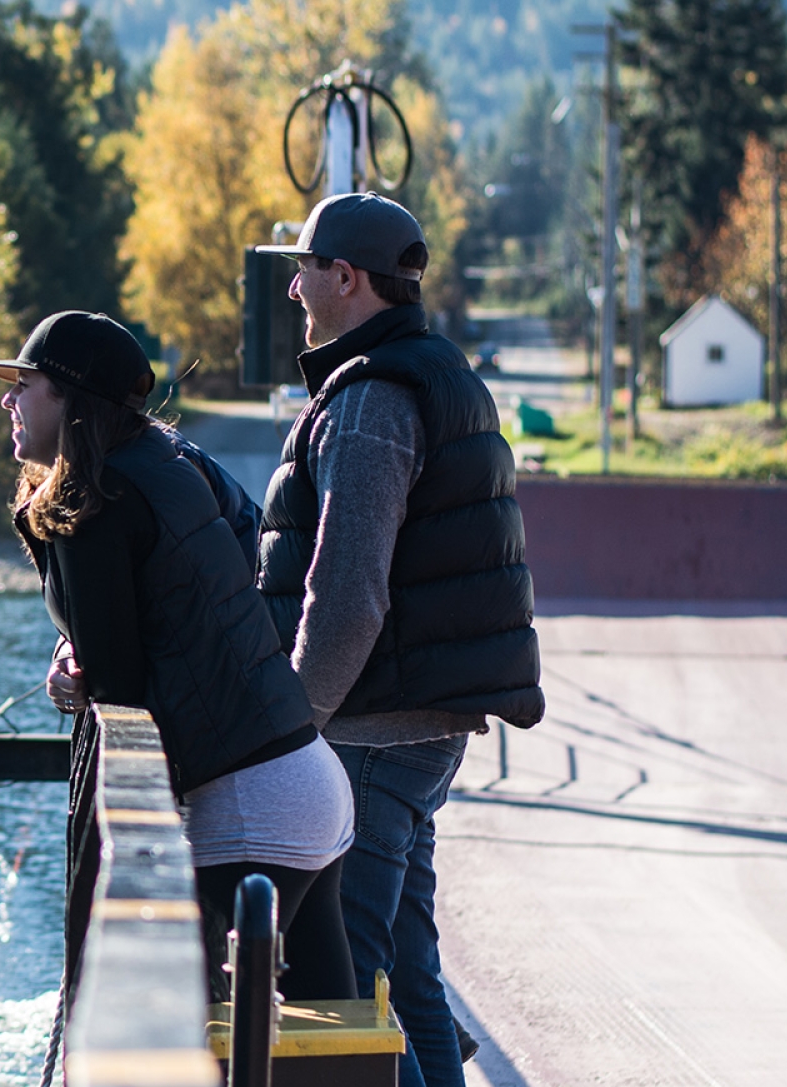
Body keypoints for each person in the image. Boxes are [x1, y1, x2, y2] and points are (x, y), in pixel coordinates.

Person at [0, 310, 357, 1002]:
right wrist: (83, 644)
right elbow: (236, 552)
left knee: (182, 1039)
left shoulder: (90, 498)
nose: (8, 399)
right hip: (308, 776)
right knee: (333, 1052)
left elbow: (119, 684)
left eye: (23, 383)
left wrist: (77, 679)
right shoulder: (168, 461)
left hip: (250, 805)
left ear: (70, 396)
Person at [257, 193, 546, 1087]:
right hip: (418, 729)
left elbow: (347, 601)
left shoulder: (373, 400)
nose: (295, 289)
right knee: (412, 980)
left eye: (303, 269)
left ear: (346, 278)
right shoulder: (438, 370)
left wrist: (289, 733)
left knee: (352, 985)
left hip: (373, 736)